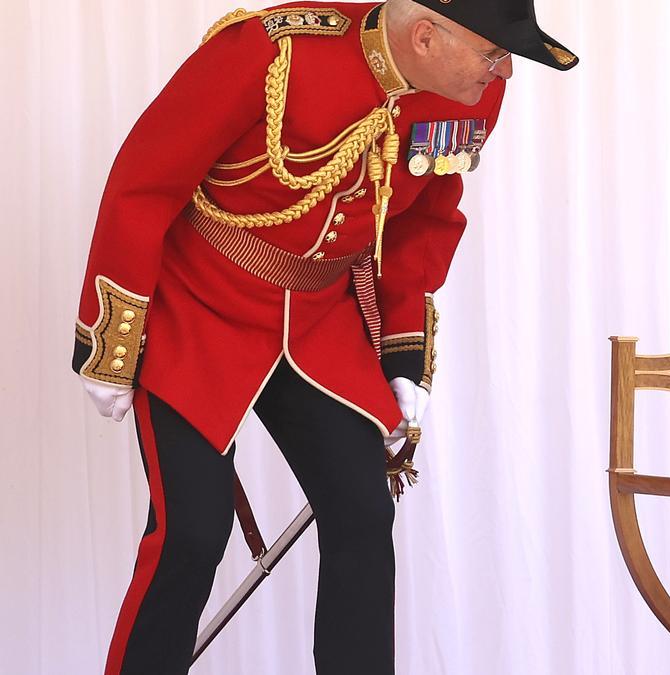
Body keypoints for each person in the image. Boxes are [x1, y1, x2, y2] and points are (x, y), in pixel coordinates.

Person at [71, 1, 576, 673]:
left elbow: (420, 225)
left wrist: (401, 353)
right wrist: (113, 337)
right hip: (198, 307)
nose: (505, 70)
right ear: (426, 36)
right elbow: (144, 179)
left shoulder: (471, 96)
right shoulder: (271, 52)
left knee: (364, 514)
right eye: (493, 53)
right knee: (192, 530)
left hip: (315, 321)